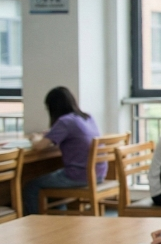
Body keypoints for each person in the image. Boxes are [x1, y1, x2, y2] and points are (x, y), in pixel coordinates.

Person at [23, 87, 104, 215]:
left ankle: (36, 222)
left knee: (31, 187)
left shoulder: (65, 121)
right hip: (98, 173)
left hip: (80, 175)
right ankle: (59, 217)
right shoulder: (87, 117)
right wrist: (51, 134)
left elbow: (39, 146)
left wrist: (35, 138)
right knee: (54, 178)